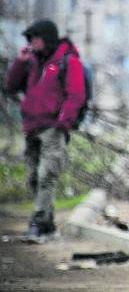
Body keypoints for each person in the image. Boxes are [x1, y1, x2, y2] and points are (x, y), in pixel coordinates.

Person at [3, 19, 86, 239]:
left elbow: (76, 94)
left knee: (46, 174)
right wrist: (20, 62)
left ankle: (39, 219)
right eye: (29, 39)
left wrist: (63, 122)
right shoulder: (31, 63)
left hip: (53, 129)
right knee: (32, 176)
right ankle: (47, 222)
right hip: (32, 127)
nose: (32, 43)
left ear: (47, 38)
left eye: (35, 38)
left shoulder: (67, 62)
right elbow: (11, 86)